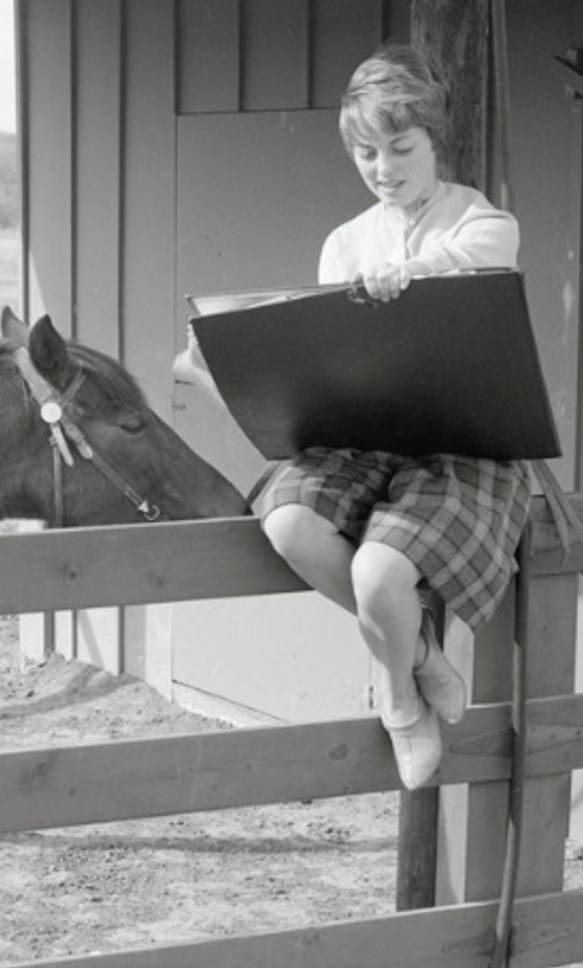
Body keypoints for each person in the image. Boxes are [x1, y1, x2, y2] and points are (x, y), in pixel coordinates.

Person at [186, 44, 525, 789]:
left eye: (401, 148)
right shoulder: (344, 243)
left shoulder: (481, 221)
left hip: (461, 447)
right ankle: (421, 661)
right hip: (371, 439)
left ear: (435, 139)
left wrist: (414, 272)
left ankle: (399, 701)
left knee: (378, 575)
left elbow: (484, 253)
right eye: (367, 153)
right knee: (287, 522)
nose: (384, 168)